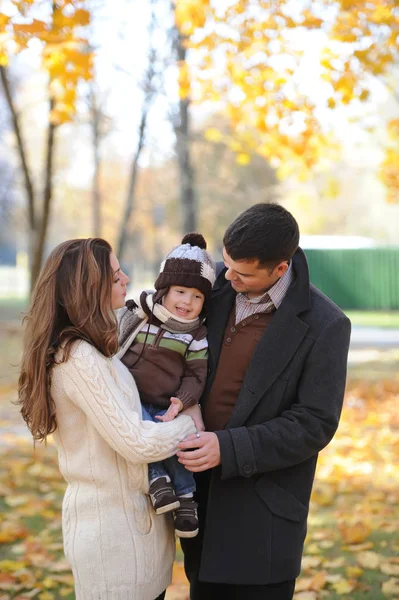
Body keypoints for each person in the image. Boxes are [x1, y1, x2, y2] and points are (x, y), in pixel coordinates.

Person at [178, 203, 352, 600]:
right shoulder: (215, 288)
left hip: (266, 514)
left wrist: (228, 447)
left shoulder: (327, 325)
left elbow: (315, 423)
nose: (229, 277)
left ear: (279, 268)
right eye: (227, 265)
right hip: (202, 502)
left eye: (243, 273)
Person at [17, 238, 198, 600]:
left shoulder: (98, 350)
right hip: (113, 546)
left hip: (137, 539)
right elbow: (137, 442)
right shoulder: (78, 359)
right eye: (116, 277)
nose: (126, 279)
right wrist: (193, 422)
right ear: (90, 287)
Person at [117, 233, 215, 539]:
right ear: (165, 289)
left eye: (197, 296)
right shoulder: (142, 312)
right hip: (128, 395)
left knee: (176, 443)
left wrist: (182, 401)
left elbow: (196, 373)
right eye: (181, 291)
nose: (187, 302)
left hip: (165, 401)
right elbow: (116, 337)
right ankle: (157, 481)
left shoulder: (195, 334)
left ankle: (186, 500)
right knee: (138, 431)